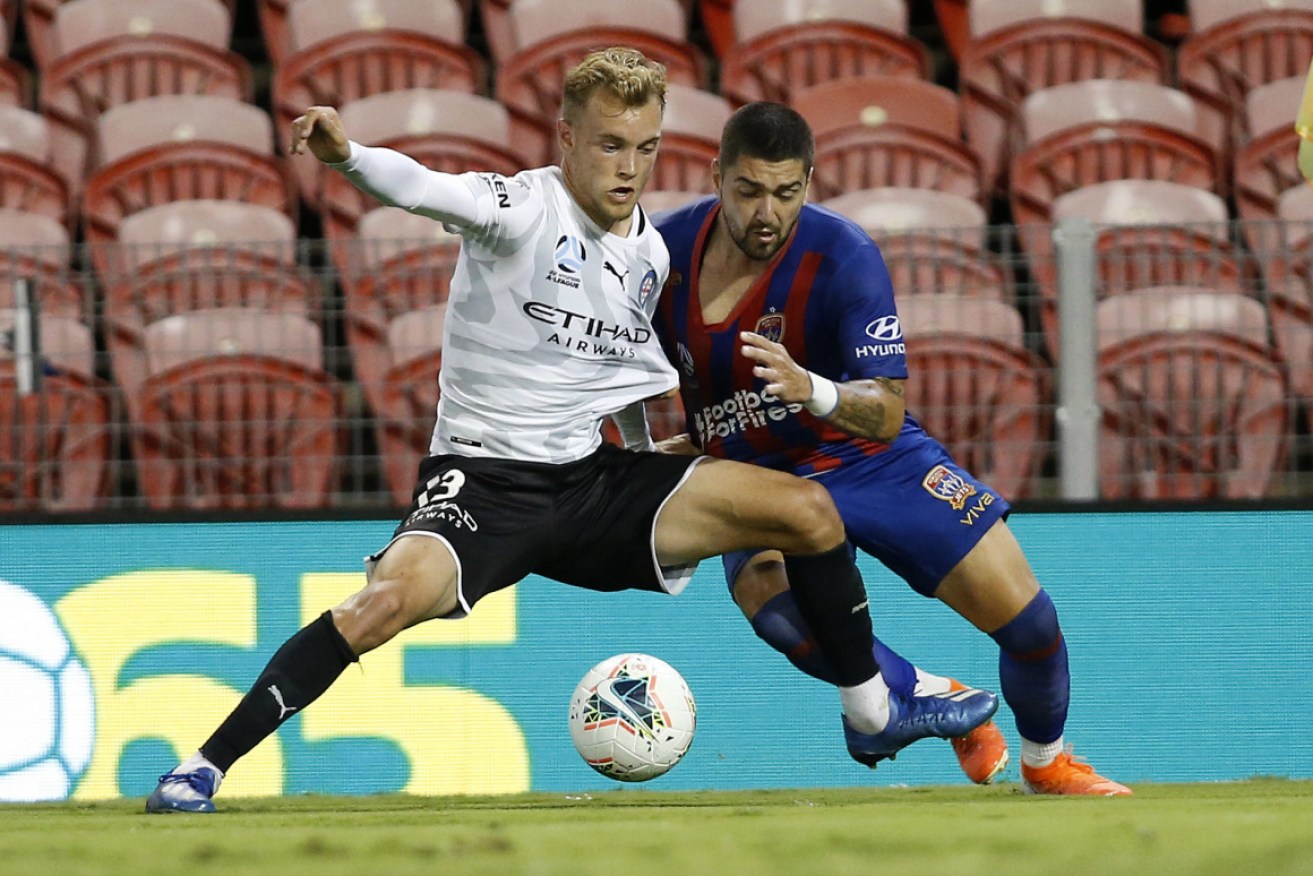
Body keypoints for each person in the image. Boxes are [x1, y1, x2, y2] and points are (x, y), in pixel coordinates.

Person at [144, 49, 998, 814]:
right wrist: (346, 155)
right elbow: (422, 187)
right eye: (609, 145)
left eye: (645, 148)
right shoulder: (518, 208)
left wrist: (653, 447)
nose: (628, 168)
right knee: (379, 607)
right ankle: (204, 767)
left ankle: (872, 712)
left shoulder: (650, 255)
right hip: (485, 486)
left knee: (809, 511)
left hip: (590, 485)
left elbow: (620, 372)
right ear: (565, 138)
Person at [650, 101, 1131, 796]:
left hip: (868, 457)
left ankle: (1045, 761)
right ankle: (919, 697)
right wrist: (660, 450)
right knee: (771, 603)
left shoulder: (842, 255)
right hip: (758, 474)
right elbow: (614, 365)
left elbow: (884, 411)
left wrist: (809, 387)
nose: (766, 213)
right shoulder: (660, 255)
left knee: (1030, 623)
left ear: (808, 182)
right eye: (748, 190)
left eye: (785, 193)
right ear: (716, 176)